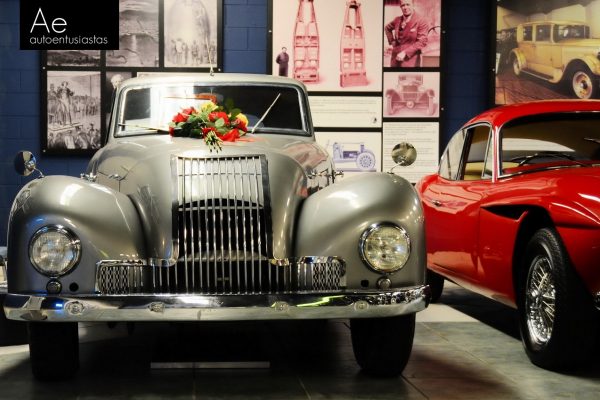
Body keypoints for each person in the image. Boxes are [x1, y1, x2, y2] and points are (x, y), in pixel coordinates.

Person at [384, 0, 429, 68]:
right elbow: (387, 28)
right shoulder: (397, 19)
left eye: (408, 4)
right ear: (400, 7)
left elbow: (422, 41)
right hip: (395, 58)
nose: (405, 7)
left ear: (413, 5)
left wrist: (405, 52)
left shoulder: (421, 21)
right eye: (403, 5)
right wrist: (392, 41)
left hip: (410, 59)